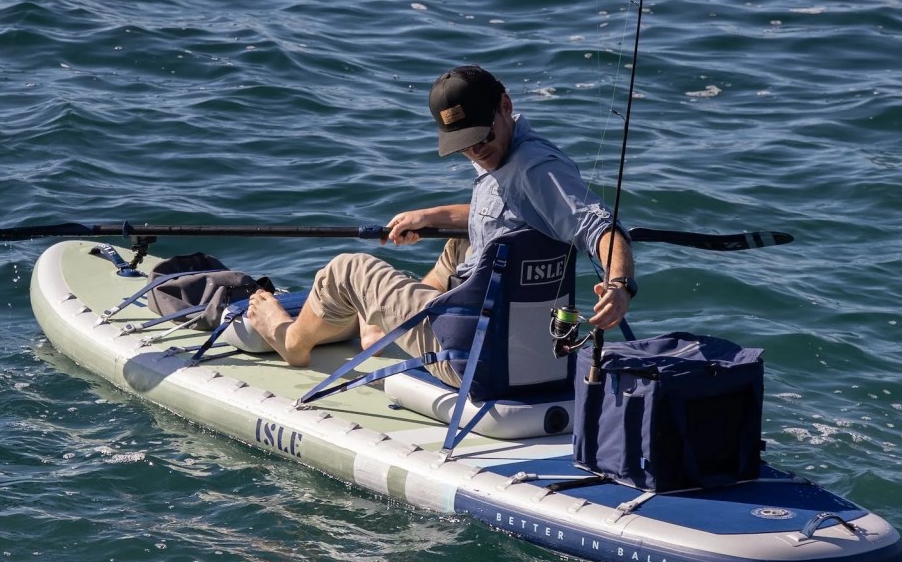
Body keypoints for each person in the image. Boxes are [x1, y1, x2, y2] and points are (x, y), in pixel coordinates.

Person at [245, 65, 636, 380]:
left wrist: (618, 285)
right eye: (463, 143)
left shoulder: (535, 169)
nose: (475, 150)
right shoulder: (515, 156)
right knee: (461, 245)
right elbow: (512, 215)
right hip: (527, 346)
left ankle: (290, 339)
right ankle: (382, 325)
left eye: (481, 136)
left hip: (469, 353)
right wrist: (431, 216)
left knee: (346, 269)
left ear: (505, 104)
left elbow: (602, 227)